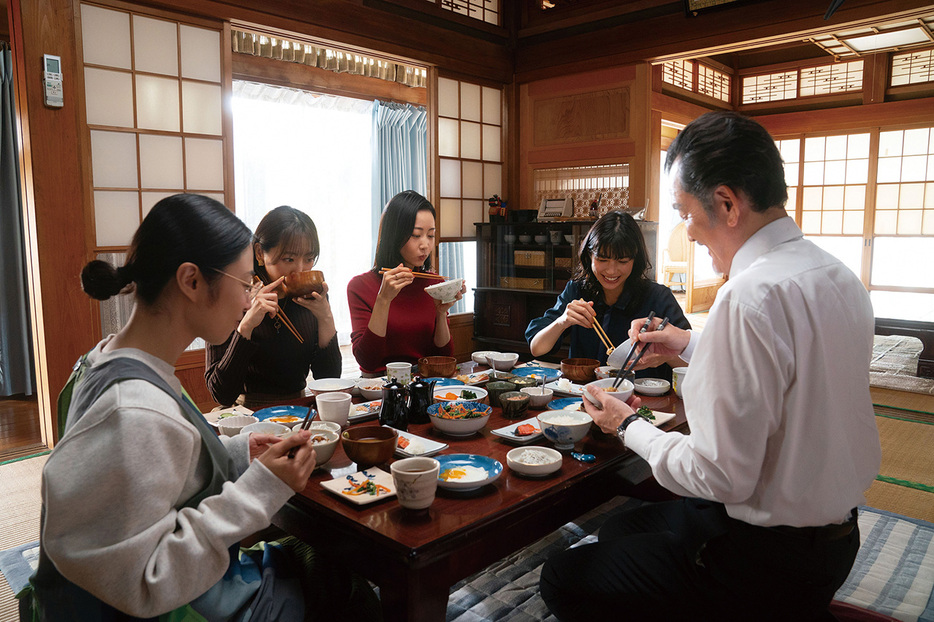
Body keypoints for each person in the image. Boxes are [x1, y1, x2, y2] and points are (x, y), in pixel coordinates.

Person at [539, 112, 882, 621]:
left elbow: (717, 475)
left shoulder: (747, 297)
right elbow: (791, 371)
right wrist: (690, 343)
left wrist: (626, 423)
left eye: (684, 211)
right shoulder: (836, 275)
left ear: (726, 203)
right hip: (834, 543)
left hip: (760, 561)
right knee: (618, 528)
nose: (687, 230)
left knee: (562, 576)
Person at [26, 194, 379, 621]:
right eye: (244, 282)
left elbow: (153, 476)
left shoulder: (106, 361)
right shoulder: (132, 411)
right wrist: (260, 488)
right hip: (188, 606)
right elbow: (145, 583)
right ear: (191, 281)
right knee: (350, 583)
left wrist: (237, 454)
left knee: (326, 558)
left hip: (196, 584)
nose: (249, 299)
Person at [525, 210, 689, 378]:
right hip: (583, 395)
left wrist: (665, 354)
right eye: (602, 259)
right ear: (589, 255)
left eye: (622, 261)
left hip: (641, 399)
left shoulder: (658, 297)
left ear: (635, 259)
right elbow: (537, 348)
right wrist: (562, 321)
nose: (611, 271)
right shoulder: (578, 290)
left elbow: (693, 362)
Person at [205, 206, 340, 409]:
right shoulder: (230, 297)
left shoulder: (313, 297)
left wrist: (326, 317)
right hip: (246, 415)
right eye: (289, 259)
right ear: (260, 253)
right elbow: (221, 393)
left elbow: (329, 381)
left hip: (298, 409)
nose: (300, 269)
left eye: (309, 259)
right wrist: (247, 324)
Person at [347, 190, 465, 376]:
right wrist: (383, 300)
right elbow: (368, 360)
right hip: (379, 387)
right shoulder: (360, 286)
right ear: (394, 235)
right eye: (416, 235)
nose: (425, 244)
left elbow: (443, 356)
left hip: (424, 382)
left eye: (430, 235)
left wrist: (441, 313)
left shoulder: (433, 284)